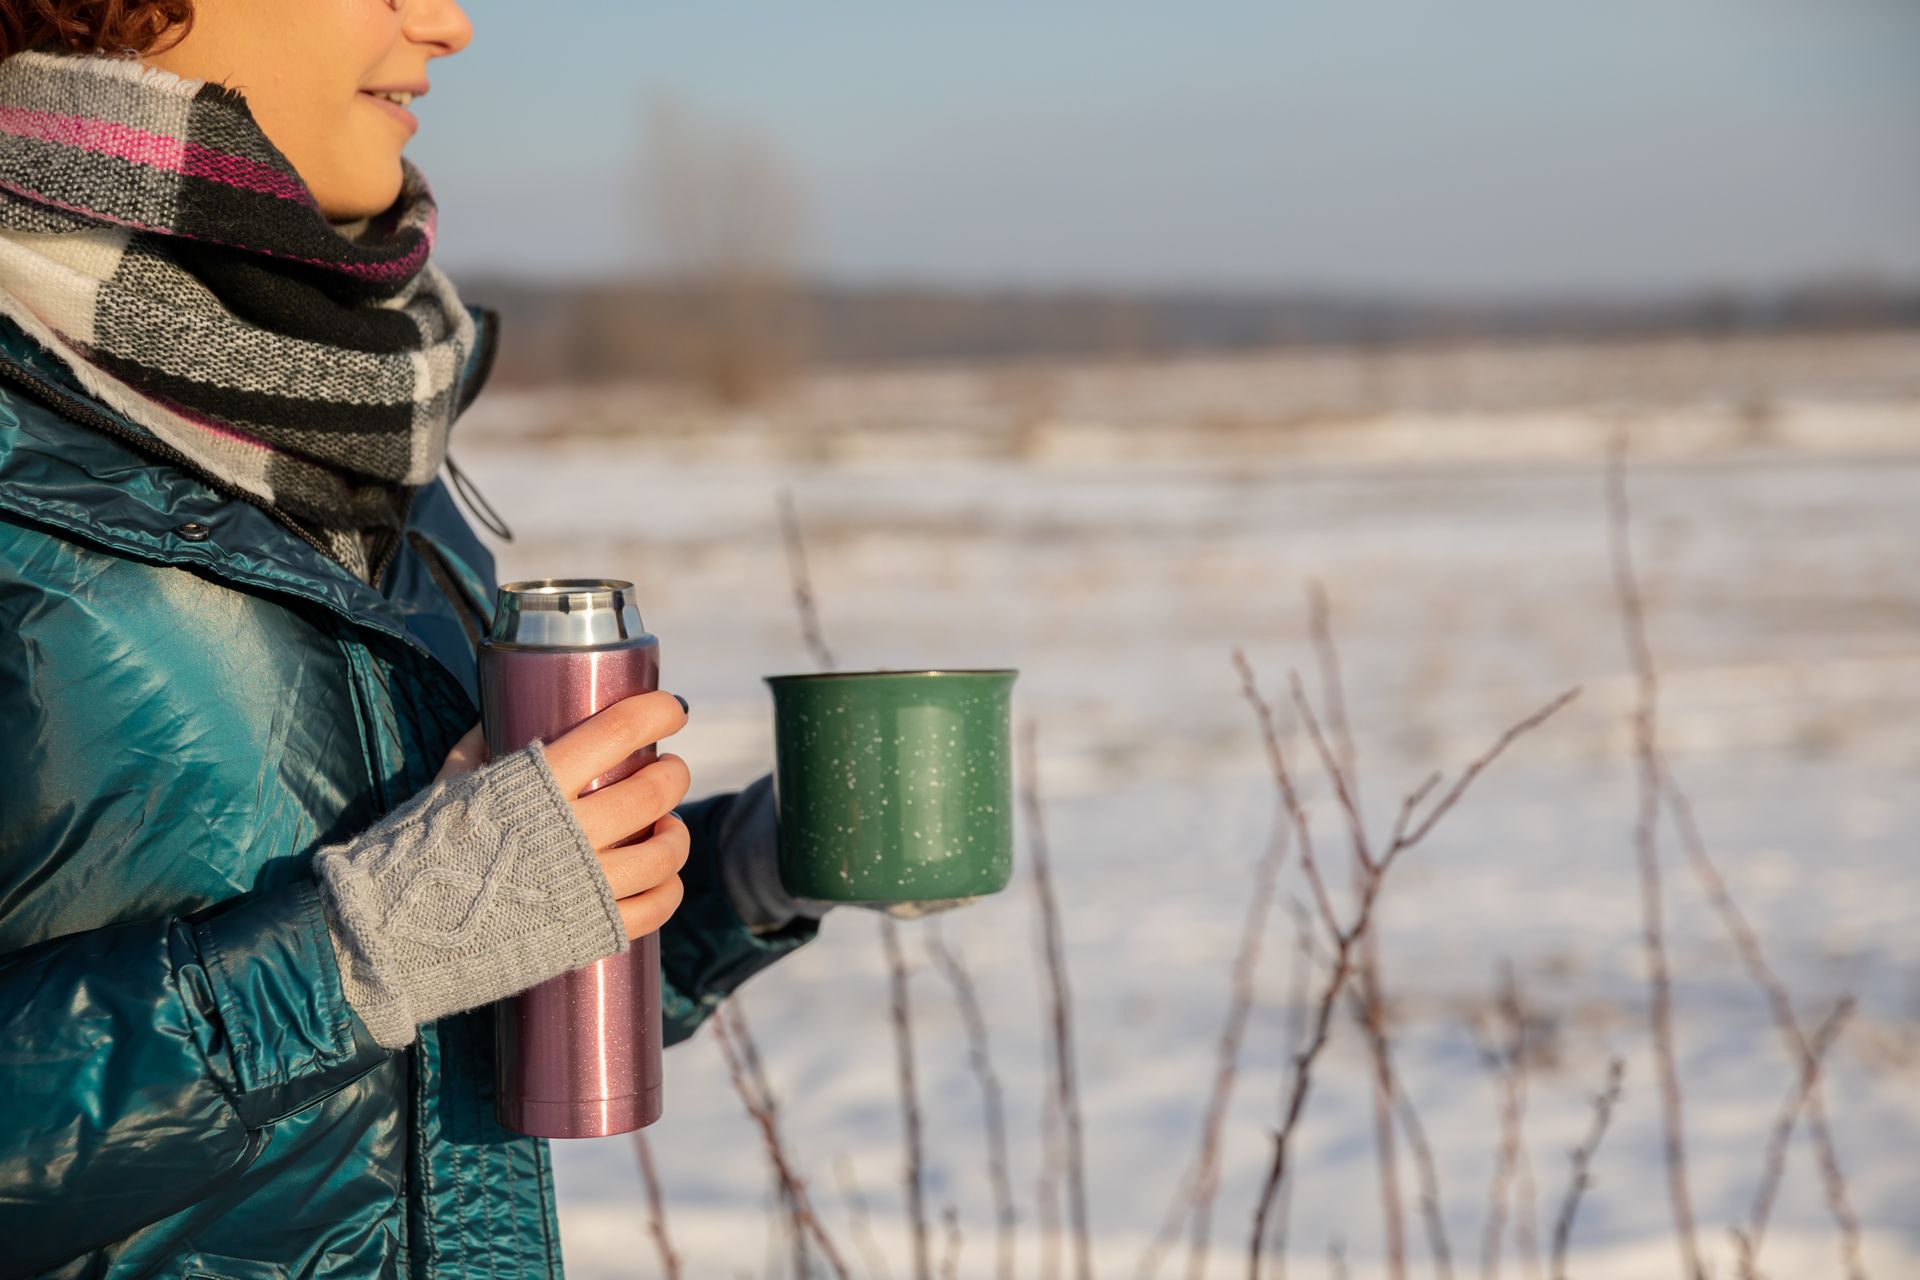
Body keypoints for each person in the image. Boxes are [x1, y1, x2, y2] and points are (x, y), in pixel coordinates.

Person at [0, 1, 842, 1274]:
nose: (446, 22)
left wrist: (738, 876)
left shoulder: (356, 413)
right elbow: (385, 955)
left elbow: (435, 1017)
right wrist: (346, 960)